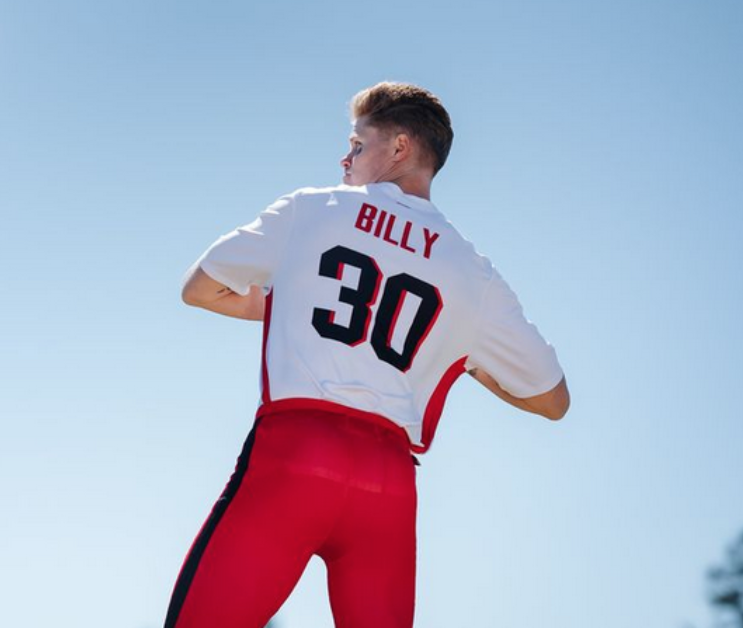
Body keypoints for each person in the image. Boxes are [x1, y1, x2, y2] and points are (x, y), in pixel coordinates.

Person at [163, 82, 570, 628]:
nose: (345, 157)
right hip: (389, 484)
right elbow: (552, 399)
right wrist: (461, 354)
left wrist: (296, 300)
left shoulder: (312, 209)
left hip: (296, 450)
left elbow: (201, 288)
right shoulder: (474, 272)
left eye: (357, 144)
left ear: (399, 148)